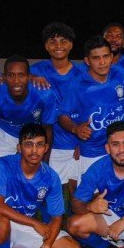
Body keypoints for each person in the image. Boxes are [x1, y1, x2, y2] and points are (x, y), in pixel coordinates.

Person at [58, 36, 124, 182]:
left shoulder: (120, 75)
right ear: (87, 61)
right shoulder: (78, 85)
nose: (102, 62)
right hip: (92, 151)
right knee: (92, 194)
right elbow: (63, 116)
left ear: (111, 57)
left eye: (105, 56)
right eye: (96, 58)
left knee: (123, 191)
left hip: (118, 148)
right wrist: (75, 129)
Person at [30, 22, 82, 197]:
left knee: (76, 192)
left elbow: (90, 108)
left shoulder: (81, 74)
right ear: (46, 46)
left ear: (71, 45)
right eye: (53, 41)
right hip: (50, 143)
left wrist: (84, 142)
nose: (58, 46)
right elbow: (15, 76)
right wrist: (32, 77)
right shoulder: (37, 70)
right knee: (49, 191)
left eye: (63, 41)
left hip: (75, 143)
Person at [0, 55, 57, 165]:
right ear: (4, 77)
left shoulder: (45, 94)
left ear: (29, 77)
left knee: (31, 172)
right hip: (4, 134)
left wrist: (45, 164)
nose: (16, 81)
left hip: (32, 133)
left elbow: (48, 130)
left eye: (21, 75)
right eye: (11, 75)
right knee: (2, 171)